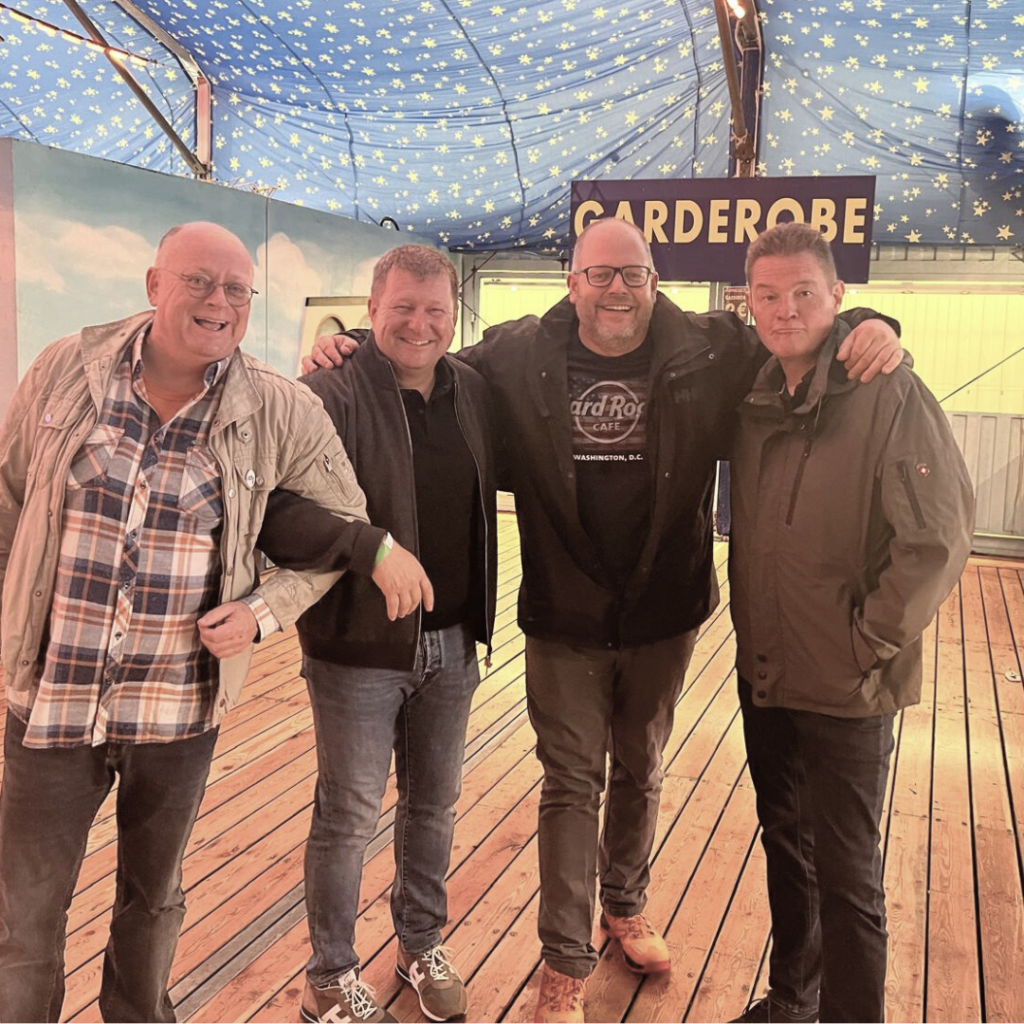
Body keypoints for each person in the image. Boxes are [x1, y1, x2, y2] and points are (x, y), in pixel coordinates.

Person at [304, 216, 903, 1024]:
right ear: (572, 280)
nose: (617, 289)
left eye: (633, 274)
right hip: (565, 614)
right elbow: (420, 352)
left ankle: (624, 904)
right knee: (571, 782)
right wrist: (347, 345)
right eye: (600, 274)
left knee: (642, 768)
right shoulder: (516, 353)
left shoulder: (710, 347)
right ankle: (565, 961)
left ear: (654, 281)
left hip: (664, 610)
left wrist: (869, 322)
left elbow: (798, 329)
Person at [0, 221, 429, 1024]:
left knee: (153, 901)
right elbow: (9, 501)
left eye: (237, 289)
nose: (219, 302)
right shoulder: (65, 370)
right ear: (154, 283)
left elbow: (344, 522)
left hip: (178, 706)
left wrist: (263, 614)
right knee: (24, 915)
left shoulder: (277, 405)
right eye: (199, 281)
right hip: (51, 701)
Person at [727, 222, 974, 1024]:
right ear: (748, 302)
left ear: (838, 296)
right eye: (769, 294)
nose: (786, 310)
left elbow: (938, 538)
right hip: (768, 674)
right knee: (786, 851)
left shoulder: (889, 391)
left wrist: (867, 642)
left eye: (805, 292)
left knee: (847, 878)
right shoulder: (756, 397)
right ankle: (793, 1001)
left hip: (848, 684)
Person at [260, 244, 497, 1024]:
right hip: (356, 650)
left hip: (452, 644)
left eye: (436, 310)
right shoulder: (325, 392)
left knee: (434, 805)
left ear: (455, 315)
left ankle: (420, 943)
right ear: (371, 309)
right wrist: (370, 548)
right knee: (349, 815)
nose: (420, 325)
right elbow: (278, 514)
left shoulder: (469, 390)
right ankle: (330, 974)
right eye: (402, 309)